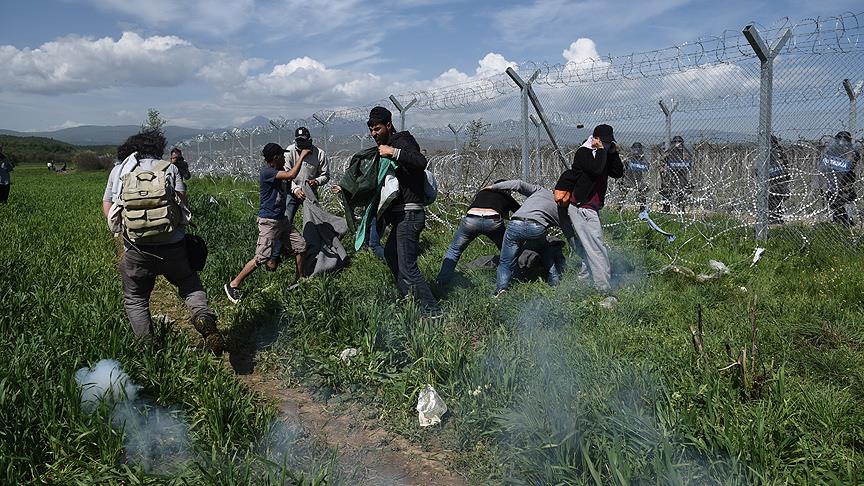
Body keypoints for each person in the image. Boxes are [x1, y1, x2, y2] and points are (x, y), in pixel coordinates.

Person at [101, 129, 223, 353]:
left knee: (136, 297)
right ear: (158, 148)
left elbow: (108, 209)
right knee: (189, 283)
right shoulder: (170, 168)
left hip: (137, 247)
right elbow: (182, 204)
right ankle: (202, 317)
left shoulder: (119, 171)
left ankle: (147, 348)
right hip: (173, 245)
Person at [367, 106, 441, 317]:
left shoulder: (402, 141)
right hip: (400, 215)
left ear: (388, 125)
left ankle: (433, 312)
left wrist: (393, 152)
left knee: (408, 267)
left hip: (409, 214)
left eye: (378, 128)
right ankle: (411, 300)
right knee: (391, 255)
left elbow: (420, 161)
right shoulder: (386, 146)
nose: (374, 134)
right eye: (371, 130)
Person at [224, 142, 307, 303]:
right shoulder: (267, 172)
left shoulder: (278, 171)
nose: (284, 158)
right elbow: (291, 175)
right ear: (275, 157)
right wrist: (302, 156)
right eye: (282, 156)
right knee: (262, 257)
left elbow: (290, 180)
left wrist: (296, 189)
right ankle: (234, 284)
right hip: (269, 221)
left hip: (281, 220)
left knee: (301, 246)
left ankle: (300, 279)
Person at [553, 124, 623, 298]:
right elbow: (597, 169)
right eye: (604, 142)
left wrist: (612, 153)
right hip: (581, 207)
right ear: (595, 138)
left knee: (590, 245)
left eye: (609, 142)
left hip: (590, 207)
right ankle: (603, 289)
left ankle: (582, 283)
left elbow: (617, 172)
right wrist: (601, 151)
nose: (606, 145)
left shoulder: (604, 153)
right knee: (596, 247)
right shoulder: (583, 153)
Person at [488, 179, 580, 295]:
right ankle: (554, 281)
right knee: (546, 250)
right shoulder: (562, 210)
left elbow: (518, 184)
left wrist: (493, 187)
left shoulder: (540, 191)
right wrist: (584, 255)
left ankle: (502, 289)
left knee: (506, 261)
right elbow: (571, 238)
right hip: (536, 228)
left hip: (515, 223)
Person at [437, 181, 521, 286]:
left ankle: (442, 282)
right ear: (507, 189)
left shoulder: (483, 191)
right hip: (493, 221)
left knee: (454, 250)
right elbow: (521, 212)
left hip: (471, 219)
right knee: (507, 252)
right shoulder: (506, 195)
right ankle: (515, 279)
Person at [284, 127, 331, 224]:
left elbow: (325, 175)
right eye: (298, 140)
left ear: (309, 140)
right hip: (292, 192)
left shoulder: (319, 154)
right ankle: (285, 238)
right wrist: (295, 189)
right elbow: (286, 174)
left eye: (303, 140)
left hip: (310, 192)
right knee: (286, 220)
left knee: (315, 221)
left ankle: (312, 238)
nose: (300, 143)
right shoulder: (290, 151)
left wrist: (316, 181)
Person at [817, 131, 859, 225]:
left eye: (845, 141)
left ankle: (847, 221)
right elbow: (824, 164)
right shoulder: (832, 151)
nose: (842, 144)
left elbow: (850, 164)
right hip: (832, 180)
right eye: (840, 141)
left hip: (845, 180)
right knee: (833, 200)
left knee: (844, 200)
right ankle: (839, 221)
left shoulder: (852, 152)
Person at [659, 135, 693, 213]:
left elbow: (690, 163)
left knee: (682, 191)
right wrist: (662, 168)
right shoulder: (669, 153)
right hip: (670, 174)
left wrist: (687, 160)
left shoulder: (685, 153)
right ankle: (666, 208)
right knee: (666, 191)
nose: (678, 144)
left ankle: (681, 209)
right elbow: (661, 161)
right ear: (673, 143)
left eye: (679, 142)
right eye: (676, 142)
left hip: (682, 175)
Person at [767, 135, 791, 224]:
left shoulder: (769, 151)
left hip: (774, 178)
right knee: (777, 199)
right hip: (781, 178)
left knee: (772, 198)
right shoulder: (779, 151)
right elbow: (786, 164)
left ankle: (775, 219)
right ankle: (777, 218)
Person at [620, 142, 649, 210]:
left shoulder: (643, 159)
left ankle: (642, 208)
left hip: (639, 180)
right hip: (628, 179)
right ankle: (619, 206)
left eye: (639, 149)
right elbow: (622, 167)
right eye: (635, 149)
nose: (637, 151)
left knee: (643, 189)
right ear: (632, 149)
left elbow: (647, 167)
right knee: (622, 192)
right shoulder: (629, 158)